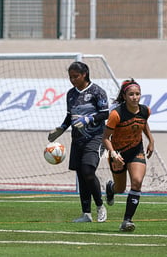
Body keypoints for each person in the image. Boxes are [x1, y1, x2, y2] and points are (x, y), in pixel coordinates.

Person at [48, 61, 108, 223]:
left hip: (95, 137)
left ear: (85, 75)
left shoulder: (97, 91)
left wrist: (88, 119)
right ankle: (86, 214)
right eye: (70, 77)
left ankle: (100, 206)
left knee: (88, 171)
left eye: (76, 76)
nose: (73, 80)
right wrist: (61, 128)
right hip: (78, 139)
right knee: (81, 175)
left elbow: (105, 113)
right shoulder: (70, 94)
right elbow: (70, 115)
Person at [102, 78, 154, 232]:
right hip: (116, 153)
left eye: (137, 94)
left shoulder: (146, 110)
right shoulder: (116, 114)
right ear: (124, 96)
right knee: (120, 188)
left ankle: (127, 221)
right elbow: (105, 138)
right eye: (131, 94)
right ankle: (111, 188)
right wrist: (113, 154)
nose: (135, 97)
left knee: (137, 182)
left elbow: (143, 124)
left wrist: (151, 140)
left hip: (136, 151)